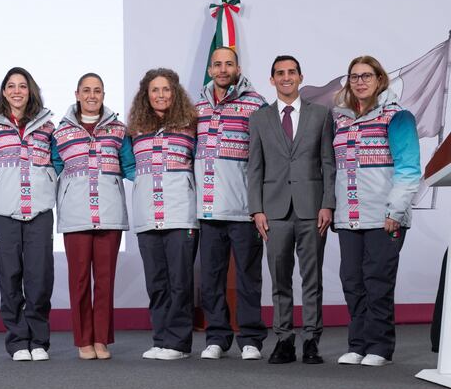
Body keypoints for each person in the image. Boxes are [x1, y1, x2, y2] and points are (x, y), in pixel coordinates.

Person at [332, 55, 420, 366]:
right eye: (354, 76)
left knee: (377, 282)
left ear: (380, 79)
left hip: (384, 217)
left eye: (366, 76)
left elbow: (409, 169)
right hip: (349, 218)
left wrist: (395, 212)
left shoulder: (397, 116)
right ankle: (357, 344)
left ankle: (379, 347)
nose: (360, 82)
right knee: (352, 282)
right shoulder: (340, 120)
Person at [248, 55, 336, 365]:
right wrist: (256, 210)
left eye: (291, 72)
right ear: (271, 79)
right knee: (280, 279)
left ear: (300, 76)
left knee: (312, 279)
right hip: (273, 212)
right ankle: (284, 339)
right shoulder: (259, 119)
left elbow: (328, 163)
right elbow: (254, 168)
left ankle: (311, 340)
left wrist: (328, 203)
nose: (286, 77)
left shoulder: (321, 115)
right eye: (280, 73)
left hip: (312, 209)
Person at [51, 73, 135, 360]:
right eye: (86, 90)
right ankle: (83, 339)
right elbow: (53, 167)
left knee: (105, 279)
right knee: (79, 281)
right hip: (75, 214)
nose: (91, 95)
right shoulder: (60, 132)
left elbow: (129, 166)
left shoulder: (118, 130)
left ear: (103, 95)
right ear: (76, 94)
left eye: (97, 90)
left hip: (110, 214)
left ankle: (101, 339)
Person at [194, 47, 268, 361]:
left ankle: (250, 339)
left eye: (228, 64)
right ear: (210, 70)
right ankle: (217, 337)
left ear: (238, 68)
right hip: (208, 209)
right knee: (211, 278)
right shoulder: (196, 105)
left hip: (244, 209)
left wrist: (260, 205)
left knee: (248, 277)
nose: (223, 69)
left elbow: (267, 156)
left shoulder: (256, 104)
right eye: (217, 64)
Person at [0, 67, 57, 361]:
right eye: (11, 86)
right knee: (10, 277)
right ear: (3, 91)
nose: (16, 91)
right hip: (3, 211)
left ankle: (38, 341)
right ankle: (17, 341)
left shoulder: (47, 125)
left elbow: (58, 162)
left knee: (39, 277)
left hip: (39, 210)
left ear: (30, 90)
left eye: (22, 86)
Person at [127, 68, 200, 360]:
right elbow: (128, 165)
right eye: (155, 90)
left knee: (180, 282)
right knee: (156, 282)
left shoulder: (191, 126)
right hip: (148, 215)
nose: (160, 95)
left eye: (166, 89)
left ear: (175, 93)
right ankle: (161, 339)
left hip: (181, 213)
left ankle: (178, 344)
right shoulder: (136, 130)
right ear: (146, 95)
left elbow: (201, 162)